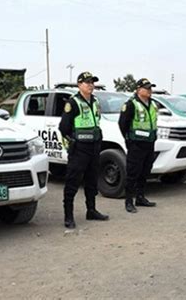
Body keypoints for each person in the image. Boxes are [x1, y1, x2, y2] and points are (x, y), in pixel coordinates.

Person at [59, 71, 109, 229]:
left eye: (92, 82)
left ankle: (91, 210)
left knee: (92, 180)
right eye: (87, 82)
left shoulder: (95, 101)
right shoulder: (72, 103)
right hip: (80, 149)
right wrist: (73, 143)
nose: (90, 85)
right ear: (79, 85)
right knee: (73, 182)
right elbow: (64, 128)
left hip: (94, 147)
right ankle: (68, 216)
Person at [118, 78, 158, 213]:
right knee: (133, 173)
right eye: (146, 88)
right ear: (138, 90)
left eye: (150, 88)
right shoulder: (131, 104)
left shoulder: (152, 104)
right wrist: (129, 140)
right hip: (136, 144)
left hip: (149, 143)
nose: (149, 91)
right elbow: (123, 123)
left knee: (145, 171)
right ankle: (129, 201)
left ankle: (140, 197)